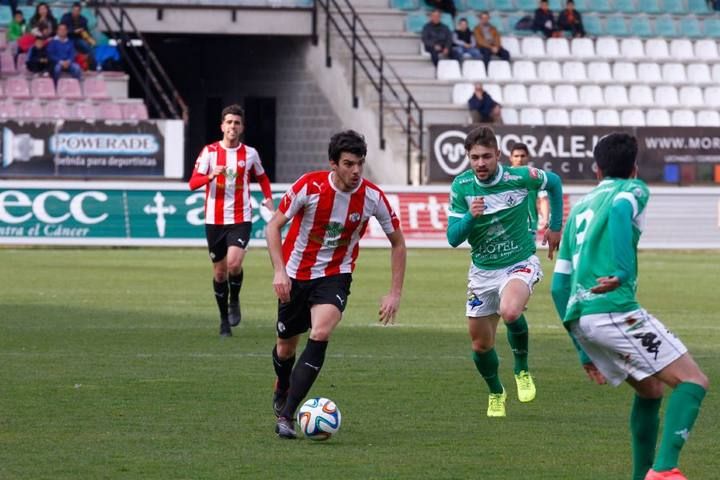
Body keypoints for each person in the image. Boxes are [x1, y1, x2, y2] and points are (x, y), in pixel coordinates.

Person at [551, 133, 708, 480]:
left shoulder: (578, 208)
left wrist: (582, 350)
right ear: (635, 168)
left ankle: (642, 475)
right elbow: (622, 210)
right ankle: (664, 471)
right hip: (614, 310)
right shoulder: (633, 190)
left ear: (596, 169)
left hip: (583, 318)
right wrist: (622, 272)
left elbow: (559, 286)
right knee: (692, 381)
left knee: (651, 390)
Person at [266, 130, 407, 439]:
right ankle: (283, 383)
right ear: (333, 164)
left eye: (360, 164)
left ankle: (287, 416)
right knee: (285, 348)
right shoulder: (309, 186)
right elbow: (273, 226)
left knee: (320, 331)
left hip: (335, 274)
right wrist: (279, 271)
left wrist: (395, 292)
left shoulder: (372, 197)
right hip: (296, 275)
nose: (356, 171)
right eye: (348, 164)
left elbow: (398, 242)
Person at [446, 126, 563, 418]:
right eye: (475, 157)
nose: (481, 163)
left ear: (499, 155)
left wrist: (556, 226)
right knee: (480, 344)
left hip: (519, 262)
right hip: (482, 273)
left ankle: (522, 369)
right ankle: (496, 392)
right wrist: (471, 217)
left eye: (487, 156)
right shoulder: (462, 187)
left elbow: (555, 183)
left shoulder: (520, 177)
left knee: (510, 311)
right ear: (468, 158)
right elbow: (452, 238)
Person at [188, 104, 275, 337]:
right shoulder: (209, 152)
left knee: (234, 264)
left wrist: (268, 198)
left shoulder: (250, 154)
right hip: (214, 220)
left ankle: (234, 299)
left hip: (241, 217)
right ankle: (223, 320)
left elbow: (263, 177)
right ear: (222, 126)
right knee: (219, 273)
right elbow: (192, 182)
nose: (232, 126)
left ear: (242, 127)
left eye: (236, 122)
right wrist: (209, 176)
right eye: (229, 122)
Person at [509, 143, 549, 236]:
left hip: (529, 227)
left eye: (523, 156)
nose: (519, 159)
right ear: (510, 158)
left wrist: (545, 219)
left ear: (528, 157)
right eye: (516, 156)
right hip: (508, 226)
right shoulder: (504, 177)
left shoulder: (535, 176)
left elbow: (543, 199)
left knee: (528, 251)